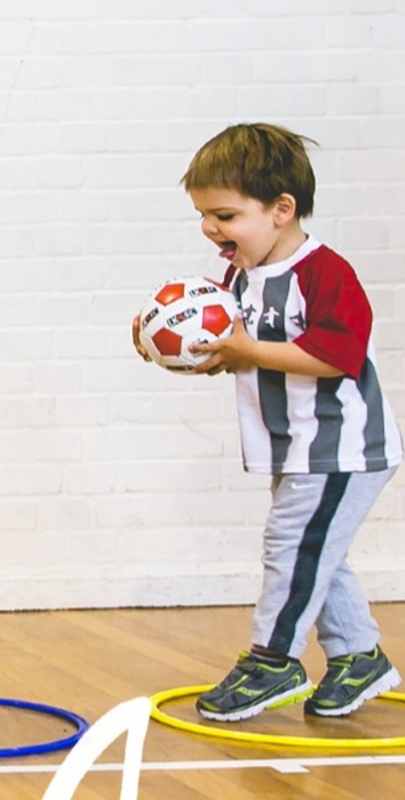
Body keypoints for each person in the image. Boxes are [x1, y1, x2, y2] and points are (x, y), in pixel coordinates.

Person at [142, 123, 402, 721]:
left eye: (226, 216)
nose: (212, 229)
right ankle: (359, 656)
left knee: (291, 546)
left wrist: (244, 351)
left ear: (281, 210)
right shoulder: (237, 278)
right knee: (316, 551)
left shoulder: (323, 273)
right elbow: (236, 347)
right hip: (295, 446)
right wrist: (181, 348)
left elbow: (337, 356)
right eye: (204, 216)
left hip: (341, 447)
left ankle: (274, 660)